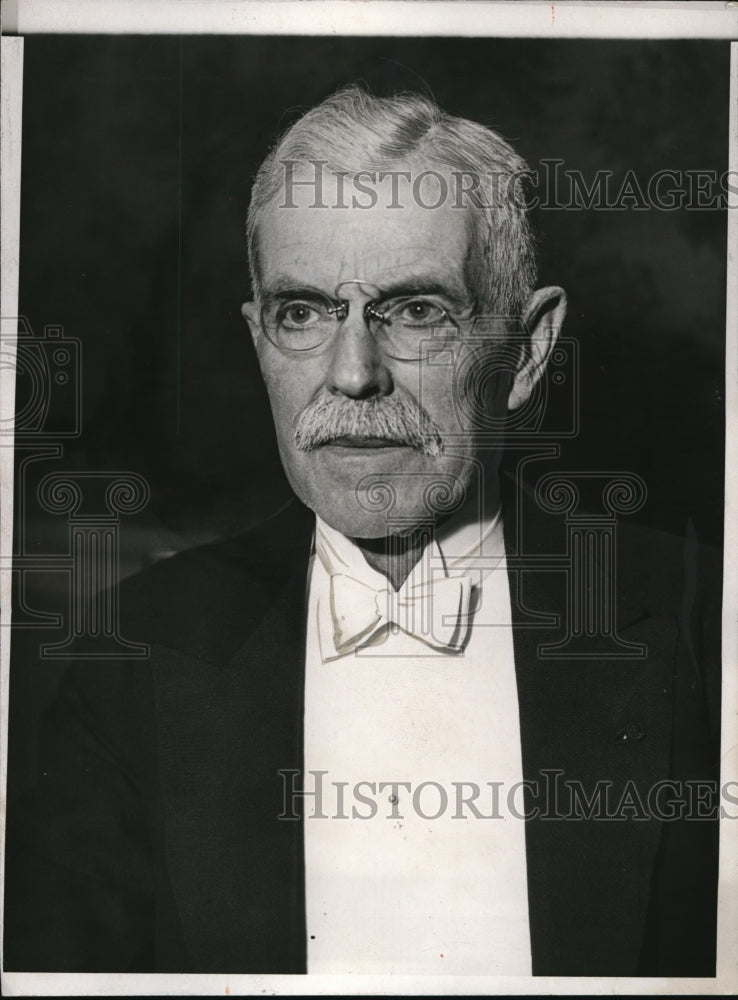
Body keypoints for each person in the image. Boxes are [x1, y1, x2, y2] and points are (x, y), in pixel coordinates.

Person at [4, 86, 720, 977]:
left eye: (416, 311)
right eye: (302, 313)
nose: (352, 375)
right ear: (260, 340)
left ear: (529, 351)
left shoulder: (705, 631)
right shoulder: (131, 659)